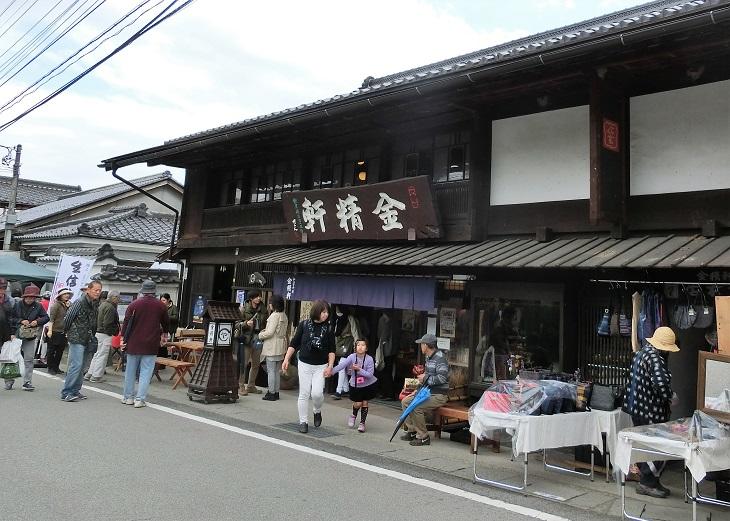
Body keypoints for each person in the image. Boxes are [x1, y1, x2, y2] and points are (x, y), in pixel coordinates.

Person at [622, 326, 678, 499]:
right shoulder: (656, 358)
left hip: (636, 408)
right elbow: (660, 384)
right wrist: (671, 396)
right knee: (658, 446)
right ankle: (647, 482)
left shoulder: (641, 353)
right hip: (651, 411)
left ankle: (651, 480)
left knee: (644, 444)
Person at [282, 299, 335, 434]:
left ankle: (317, 410)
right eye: (323, 312)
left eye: (327, 312)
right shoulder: (304, 325)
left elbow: (332, 350)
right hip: (304, 364)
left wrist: (330, 366)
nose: (326, 314)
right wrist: (286, 359)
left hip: (321, 366)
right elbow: (294, 343)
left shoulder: (329, 328)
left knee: (317, 394)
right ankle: (303, 421)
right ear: (316, 311)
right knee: (304, 393)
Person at [121, 280, 169, 408]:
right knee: (146, 372)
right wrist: (164, 335)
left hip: (133, 343)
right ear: (154, 291)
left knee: (130, 371)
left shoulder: (134, 304)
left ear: (142, 291)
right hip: (151, 344)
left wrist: (123, 339)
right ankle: (140, 399)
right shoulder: (161, 306)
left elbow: (126, 323)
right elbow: (166, 323)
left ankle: (128, 397)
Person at [400, 333, 450, 446]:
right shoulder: (428, 358)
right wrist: (416, 390)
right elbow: (425, 379)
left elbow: (442, 379)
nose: (420, 346)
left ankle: (423, 436)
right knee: (405, 402)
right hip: (427, 392)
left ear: (426, 345)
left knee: (416, 407)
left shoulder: (440, 359)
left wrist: (425, 377)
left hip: (439, 395)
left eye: (421, 344)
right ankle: (412, 430)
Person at [60, 281, 102, 402]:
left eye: (99, 290)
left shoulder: (95, 303)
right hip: (77, 337)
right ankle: (66, 392)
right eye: (95, 290)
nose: (98, 292)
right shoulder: (79, 302)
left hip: (88, 337)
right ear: (88, 290)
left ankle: (75, 390)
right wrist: (67, 332)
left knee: (83, 366)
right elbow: (68, 318)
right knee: (76, 365)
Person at [327, 338, 377, 432]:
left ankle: (362, 423)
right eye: (358, 345)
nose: (360, 347)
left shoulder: (369, 359)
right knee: (358, 403)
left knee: (365, 403)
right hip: (356, 384)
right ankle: (353, 415)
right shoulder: (352, 357)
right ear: (355, 347)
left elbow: (370, 375)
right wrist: (331, 372)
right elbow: (342, 366)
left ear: (366, 348)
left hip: (368, 384)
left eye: (363, 345)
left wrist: (359, 370)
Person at [4, 284, 48, 391]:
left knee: (29, 359)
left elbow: (46, 317)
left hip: (30, 336)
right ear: (24, 297)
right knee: (12, 358)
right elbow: (9, 318)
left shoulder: (38, 306)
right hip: (15, 334)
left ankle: (27, 382)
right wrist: (20, 321)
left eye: (33, 297)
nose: (30, 299)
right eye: (28, 297)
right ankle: (9, 381)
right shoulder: (16, 305)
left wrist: (37, 321)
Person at [257, 294, 288, 401]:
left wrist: (260, 335)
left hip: (272, 346)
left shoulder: (274, 316)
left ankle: (271, 392)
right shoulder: (284, 315)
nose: (269, 305)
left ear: (274, 304)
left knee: (271, 371)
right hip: (280, 346)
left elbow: (270, 332)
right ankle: (276, 392)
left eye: (270, 303)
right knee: (276, 371)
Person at [85, 290, 120, 382]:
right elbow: (108, 323)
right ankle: (96, 376)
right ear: (114, 297)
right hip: (105, 333)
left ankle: (90, 373)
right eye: (118, 298)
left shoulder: (103, 304)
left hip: (98, 332)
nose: (119, 300)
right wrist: (111, 332)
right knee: (102, 355)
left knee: (97, 354)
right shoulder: (110, 307)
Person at [239, 290, 265, 395]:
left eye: (260, 296)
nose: (259, 298)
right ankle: (240, 386)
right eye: (256, 296)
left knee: (256, 364)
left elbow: (266, 322)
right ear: (251, 298)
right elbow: (236, 324)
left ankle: (251, 386)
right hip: (246, 339)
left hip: (258, 338)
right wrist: (246, 324)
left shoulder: (263, 309)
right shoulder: (243, 309)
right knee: (244, 364)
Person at [46, 288, 73, 375]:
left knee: (60, 351)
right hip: (54, 330)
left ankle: (56, 367)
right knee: (51, 350)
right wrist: (50, 330)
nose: (67, 295)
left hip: (63, 331)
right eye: (65, 294)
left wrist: (69, 307)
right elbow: (51, 319)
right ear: (60, 295)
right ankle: (50, 367)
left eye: (68, 294)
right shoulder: (56, 305)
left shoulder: (68, 305)